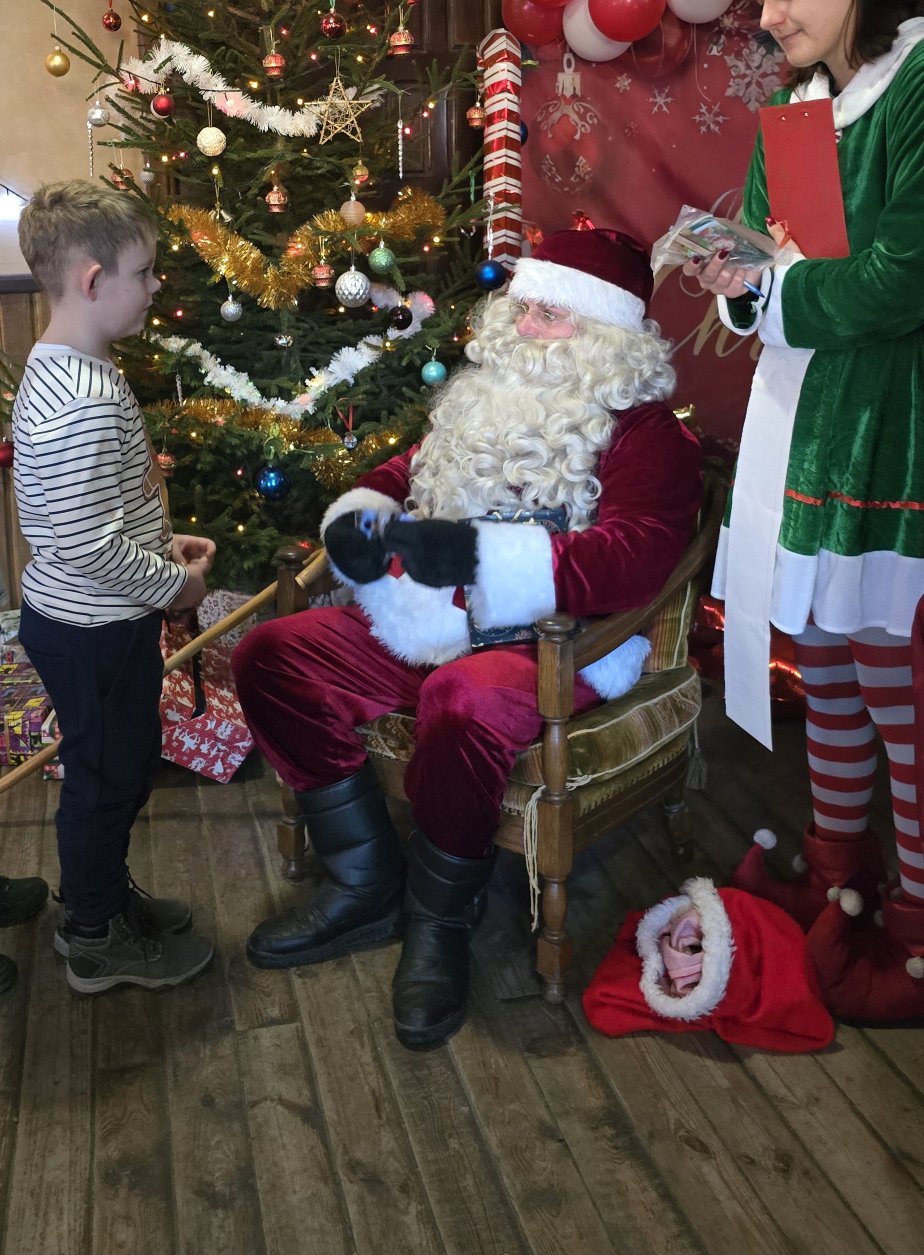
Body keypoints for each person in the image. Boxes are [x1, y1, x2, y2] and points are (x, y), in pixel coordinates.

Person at [233, 227, 702, 1050]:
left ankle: (438, 920)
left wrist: (479, 558)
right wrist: (360, 518)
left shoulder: (646, 432)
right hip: (433, 620)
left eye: (553, 313)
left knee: (463, 700)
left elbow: (637, 559)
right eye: (525, 307)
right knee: (270, 655)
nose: (527, 325)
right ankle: (364, 883)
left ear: (607, 333)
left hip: (557, 645)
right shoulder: (487, 395)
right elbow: (408, 471)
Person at [689, 0, 924, 1020]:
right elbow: (757, 247)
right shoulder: (794, 110)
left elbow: (903, 274)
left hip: (893, 420)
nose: (771, 17)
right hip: (806, 426)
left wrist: (777, 294)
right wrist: (737, 281)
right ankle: (841, 877)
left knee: (893, 676)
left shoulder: (919, 82)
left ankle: (916, 920)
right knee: (822, 660)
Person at [13, 181, 215, 996]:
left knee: (118, 766)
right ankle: (93, 934)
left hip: (91, 618)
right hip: (93, 630)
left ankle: (101, 899)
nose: (156, 285)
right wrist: (175, 584)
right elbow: (85, 545)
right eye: (146, 271)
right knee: (106, 782)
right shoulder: (83, 403)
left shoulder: (70, 363)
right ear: (93, 280)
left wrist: (159, 544)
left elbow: (90, 514)